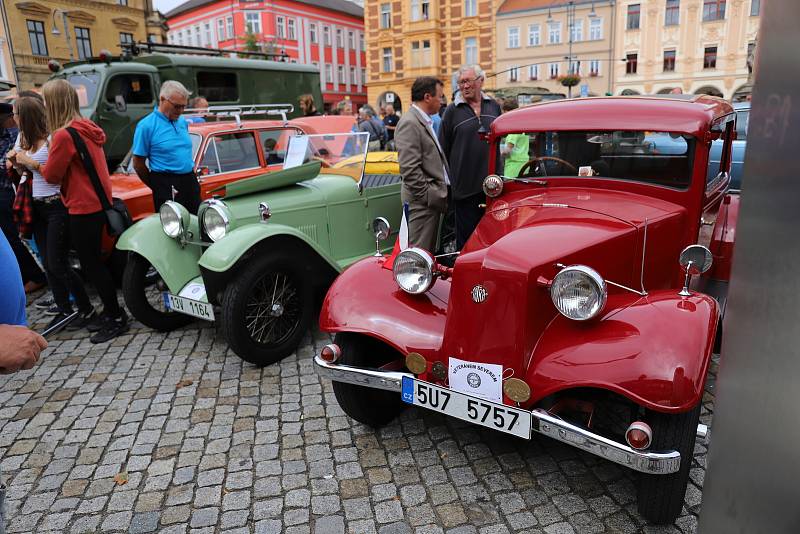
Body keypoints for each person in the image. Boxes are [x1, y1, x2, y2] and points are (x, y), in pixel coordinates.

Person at [19, 79, 129, 343]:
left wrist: (28, 162)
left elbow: (53, 176)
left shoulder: (65, 135)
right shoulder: (87, 127)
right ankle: (111, 311)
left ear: (54, 103)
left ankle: (115, 316)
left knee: (92, 266)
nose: (44, 106)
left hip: (81, 206)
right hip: (96, 204)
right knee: (94, 263)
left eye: (45, 101)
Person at [8, 97, 96, 332]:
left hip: (56, 205)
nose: (13, 117)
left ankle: (86, 308)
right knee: (48, 264)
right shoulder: (25, 140)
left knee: (58, 263)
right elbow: (19, 166)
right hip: (37, 206)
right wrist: (19, 164)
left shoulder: (51, 140)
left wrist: (29, 163)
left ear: (25, 116)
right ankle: (65, 309)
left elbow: (54, 174)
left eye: (16, 113)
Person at [439, 64, 501, 250]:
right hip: (464, 189)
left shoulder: (494, 107)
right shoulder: (452, 111)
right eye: (461, 82)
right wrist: (449, 184)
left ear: (481, 81)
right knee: (466, 242)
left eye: (468, 81)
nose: (464, 86)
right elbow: (443, 149)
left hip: (492, 188)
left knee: (491, 237)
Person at [394, 76, 450, 252]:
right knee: (418, 256)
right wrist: (429, 196)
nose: (441, 101)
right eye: (439, 96)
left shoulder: (422, 120)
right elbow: (409, 169)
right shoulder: (410, 123)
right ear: (427, 97)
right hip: (422, 204)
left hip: (427, 202)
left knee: (426, 253)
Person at [132, 80, 200, 214]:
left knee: (198, 222)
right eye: (177, 106)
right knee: (174, 229)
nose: (181, 111)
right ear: (163, 100)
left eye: (183, 106)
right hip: (165, 182)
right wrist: (158, 186)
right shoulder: (146, 126)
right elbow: (138, 164)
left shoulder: (182, 121)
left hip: (189, 180)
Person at [0, 102, 46, 293]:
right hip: (11, 190)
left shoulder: (15, 135)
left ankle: (36, 275)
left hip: (11, 192)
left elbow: (12, 164)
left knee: (17, 237)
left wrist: (13, 162)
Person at [499, 98, 529, 178]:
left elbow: (507, 150)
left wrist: (499, 151)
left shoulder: (513, 129)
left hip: (514, 166)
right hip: (524, 164)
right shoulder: (522, 125)